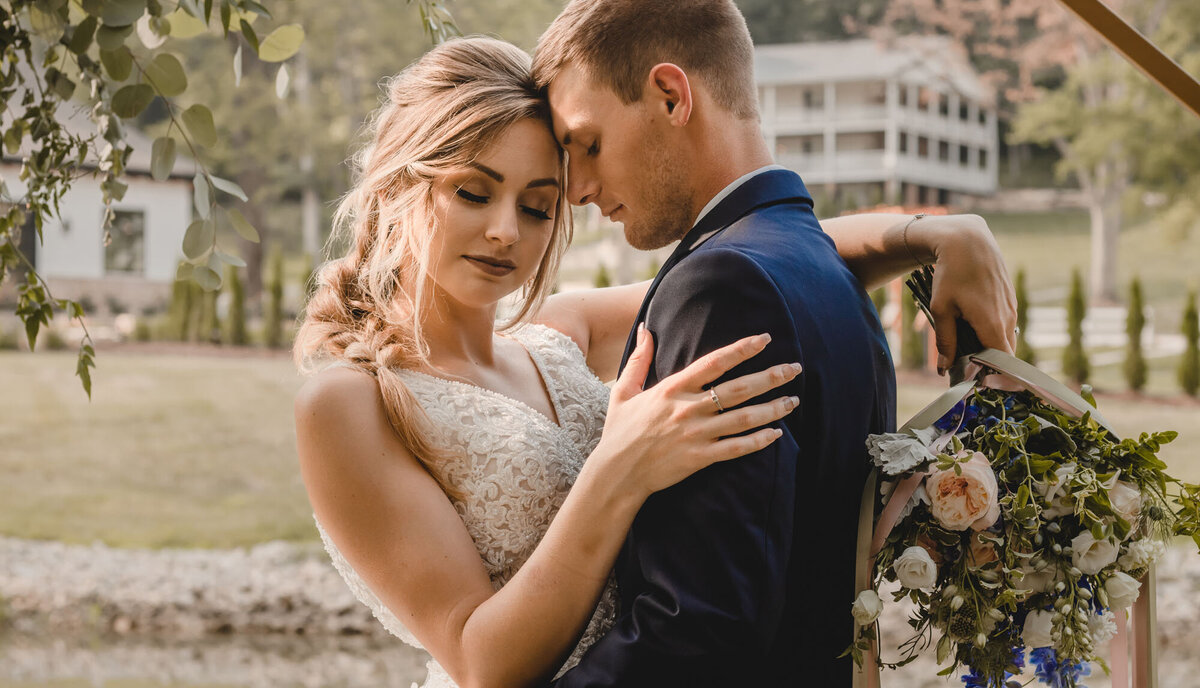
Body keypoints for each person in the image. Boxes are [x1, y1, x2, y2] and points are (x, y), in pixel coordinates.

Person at [293, 35, 1015, 687]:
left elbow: (768, 262)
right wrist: (617, 471)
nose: (505, 232)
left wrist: (939, 234)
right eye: (474, 193)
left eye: (539, 206)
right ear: (398, 187)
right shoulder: (350, 403)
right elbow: (481, 661)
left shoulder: (558, 331)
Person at [529, 0, 1015, 687]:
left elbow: (696, 631)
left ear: (669, 95)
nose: (581, 189)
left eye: (588, 145)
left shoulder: (720, 289)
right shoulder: (822, 271)